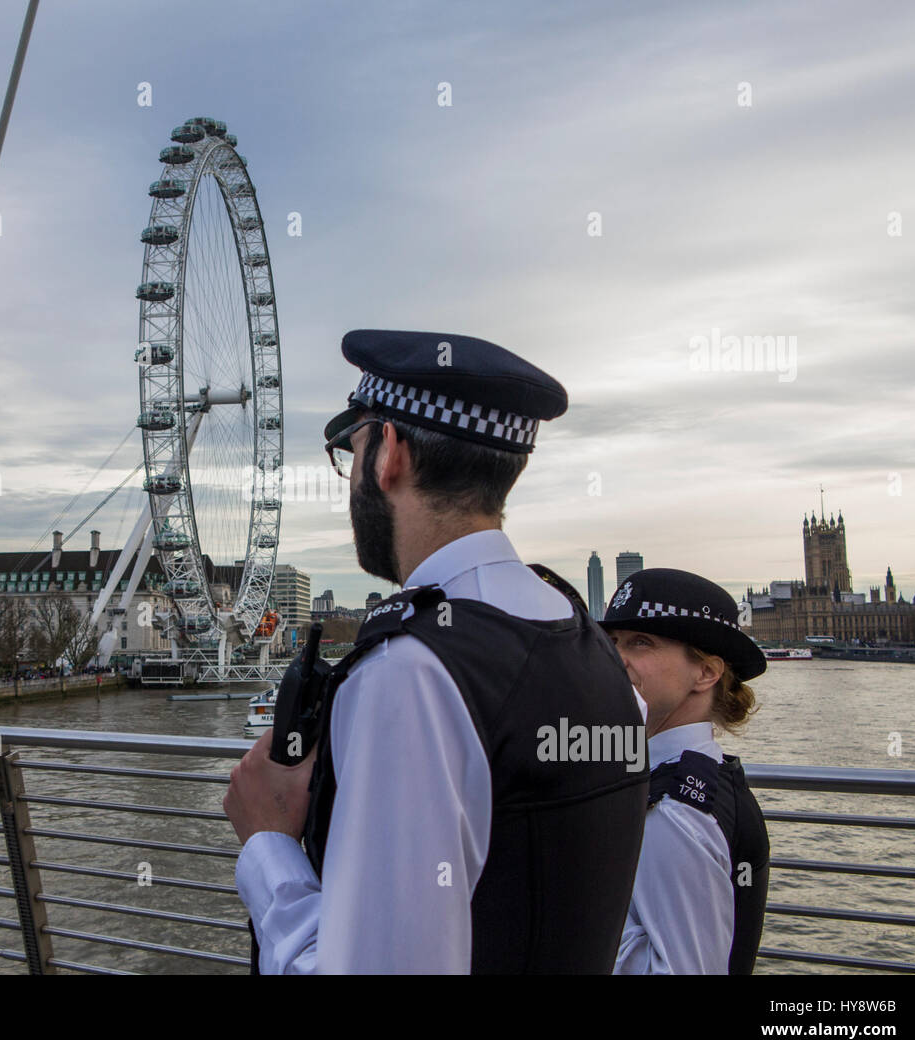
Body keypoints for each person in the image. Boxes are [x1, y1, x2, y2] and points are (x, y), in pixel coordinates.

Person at [223, 329, 649, 974]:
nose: (349, 482)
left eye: (353, 448)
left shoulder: (409, 672)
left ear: (389, 452)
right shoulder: (585, 639)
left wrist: (268, 844)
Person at [600, 568, 770, 974]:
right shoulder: (707, 777)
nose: (615, 658)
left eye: (641, 643)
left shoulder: (673, 810)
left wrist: (581, 913)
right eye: (613, 642)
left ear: (706, 673)